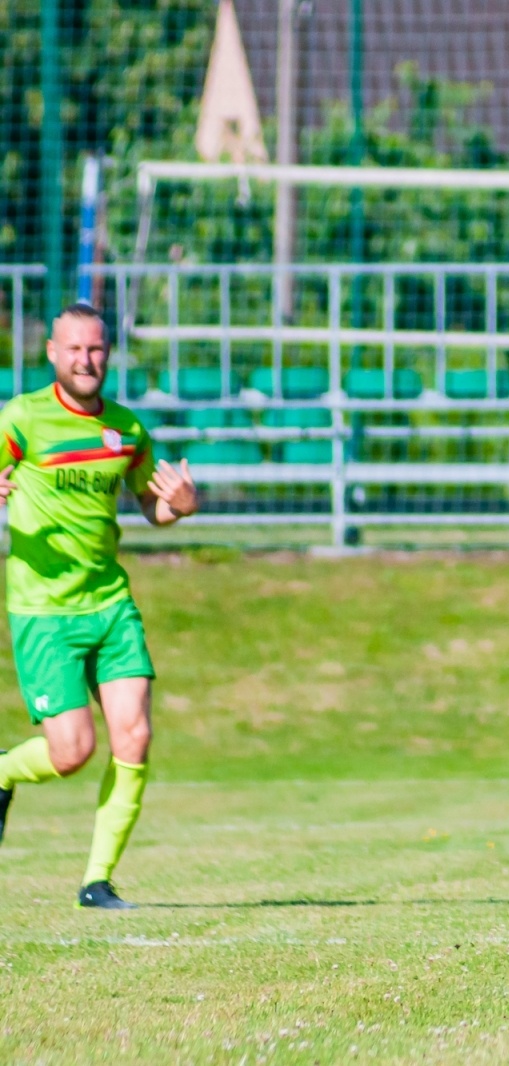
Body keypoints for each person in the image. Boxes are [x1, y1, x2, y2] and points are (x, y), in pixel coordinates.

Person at [0, 302, 199, 909]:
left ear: (108, 355)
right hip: (43, 610)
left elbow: (151, 506)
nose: (87, 360)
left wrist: (181, 505)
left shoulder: (127, 428)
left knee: (134, 735)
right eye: (75, 349)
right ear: (53, 353)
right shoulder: (21, 418)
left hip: (110, 604)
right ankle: (4, 770)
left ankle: (97, 881)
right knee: (72, 753)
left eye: (97, 350)